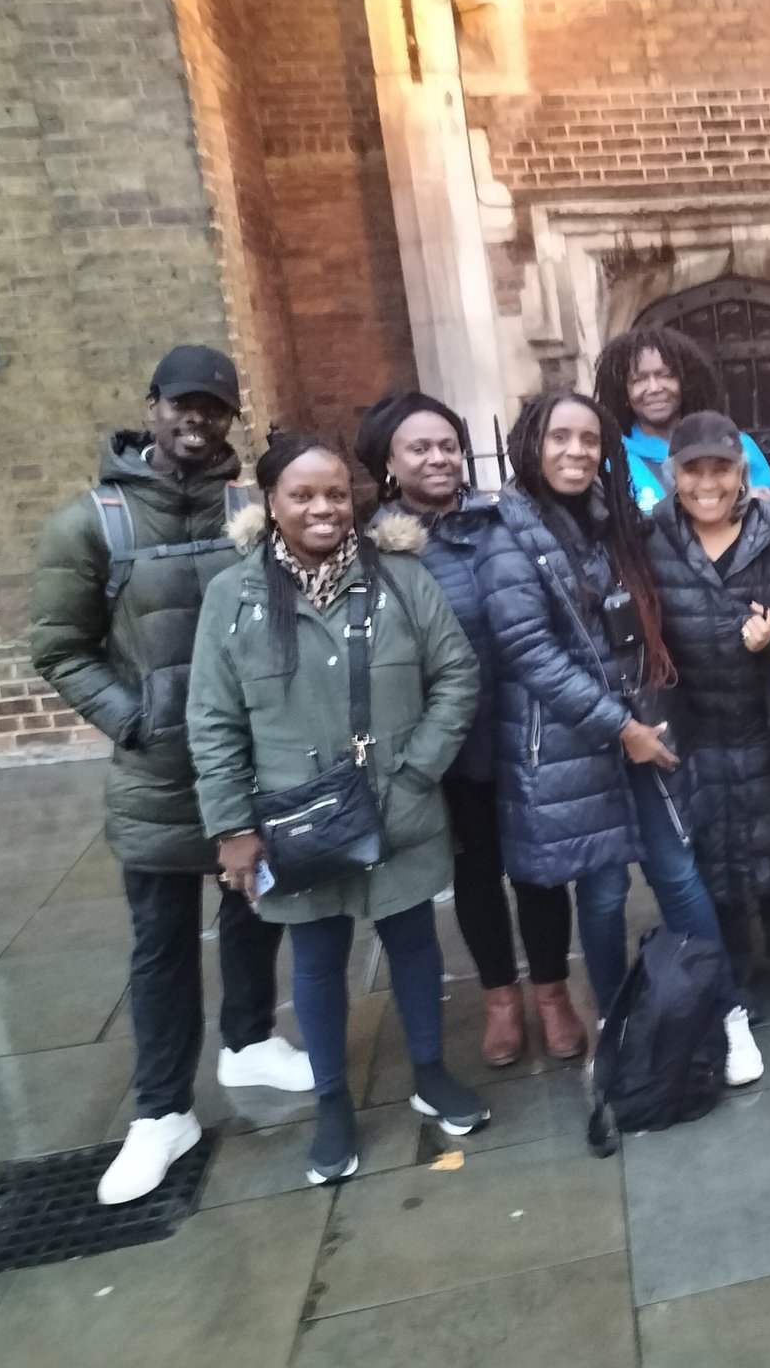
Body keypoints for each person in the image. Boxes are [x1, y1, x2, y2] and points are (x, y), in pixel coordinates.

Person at [30, 345, 312, 1208]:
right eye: (183, 404)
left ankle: (250, 1040)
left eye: (214, 408)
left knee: (253, 911)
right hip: (155, 775)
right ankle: (161, 1111)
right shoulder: (93, 524)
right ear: (152, 406)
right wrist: (133, 719)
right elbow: (59, 647)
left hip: (250, 762)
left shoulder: (252, 511)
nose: (198, 419)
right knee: (160, 945)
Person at [186, 434, 487, 1186]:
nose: (323, 507)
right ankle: (332, 1103)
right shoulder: (233, 596)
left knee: (413, 938)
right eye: (302, 495)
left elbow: (456, 674)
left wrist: (417, 772)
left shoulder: (401, 579)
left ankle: (429, 1072)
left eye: (335, 493)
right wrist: (231, 827)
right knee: (317, 958)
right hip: (296, 819)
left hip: (397, 803)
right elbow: (213, 719)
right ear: (271, 503)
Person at [474, 391, 763, 1084]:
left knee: (677, 872)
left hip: (642, 722)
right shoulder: (506, 534)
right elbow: (530, 652)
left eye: (589, 439)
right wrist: (619, 726)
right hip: (578, 742)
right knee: (602, 893)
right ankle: (617, 1021)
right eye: (560, 437)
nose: (576, 451)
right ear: (531, 444)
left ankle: (726, 1012)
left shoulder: (615, 521)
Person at [356, 392, 545, 1069]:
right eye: (419, 448)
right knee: (476, 870)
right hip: (449, 742)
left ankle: (553, 992)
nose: (438, 458)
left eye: (447, 445)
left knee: (540, 868)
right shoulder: (375, 550)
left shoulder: (503, 519)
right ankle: (500, 997)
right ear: (388, 463)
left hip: (523, 725)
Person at [648, 411, 770, 1008]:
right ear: (673, 475)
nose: (708, 484)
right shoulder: (652, 539)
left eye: (720, 469)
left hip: (766, 720)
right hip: (695, 724)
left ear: (741, 471)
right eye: (693, 470)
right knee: (714, 851)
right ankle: (734, 962)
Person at [593, 326, 770, 512]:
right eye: (638, 380)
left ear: (686, 382)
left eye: (665, 375)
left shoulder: (737, 447)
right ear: (623, 391)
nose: (654, 388)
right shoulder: (612, 462)